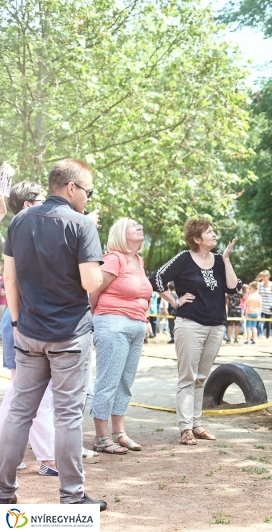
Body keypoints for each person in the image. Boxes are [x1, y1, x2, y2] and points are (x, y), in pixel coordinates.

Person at [0, 159, 106, 508]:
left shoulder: (18, 222)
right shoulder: (81, 225)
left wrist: (16, 324)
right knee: (67, 416)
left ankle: (3, 494)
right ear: (71, 188)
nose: (89, 198)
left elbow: (10, 280)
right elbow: (91, 282)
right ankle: (72, 497)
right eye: (88, 191)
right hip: (69, 336)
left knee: (19, 413)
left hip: (28, 332)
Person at [149, 217, 240, 446]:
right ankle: (185, 428)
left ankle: (197, 425)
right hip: (190, 324)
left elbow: (233, 288)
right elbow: (156, 278)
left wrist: (227, 259)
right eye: (209, 232)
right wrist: (175, 301)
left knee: (201, 378)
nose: (214, 234)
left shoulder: (219, 260)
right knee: (187, 378)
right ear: (197, 239)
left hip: (216, 325)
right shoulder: (184, 258)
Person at [0, 181, 58, 476]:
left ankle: (11, 453)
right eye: (40, 199)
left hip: (22, 319)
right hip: (21, 319)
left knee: (19, 394)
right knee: (34, 394)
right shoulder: (20, 235)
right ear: (26, 205)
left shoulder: (25, 233)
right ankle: (48, 459)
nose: (48, 203)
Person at [88, 218, 151, 455]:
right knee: (108, 381)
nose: (139, 226)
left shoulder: (138, 260)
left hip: (136, 326)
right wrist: (98, 316)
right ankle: (101, 437)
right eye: (133, 224)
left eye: (139, 224)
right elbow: (93, 289)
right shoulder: (114, 258)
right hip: (113, 323)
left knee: (125, 382)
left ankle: (119, 432)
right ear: (120, 234)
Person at [258, 270, 272, 338]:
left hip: (269, 305)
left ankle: (267, 336)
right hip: (261, 305)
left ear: (268, 276)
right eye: (262, 276)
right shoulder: (260, 284)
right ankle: (260, 334)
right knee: (260, 320)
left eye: (264, 276)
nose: (263, 278)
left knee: (268, 322)